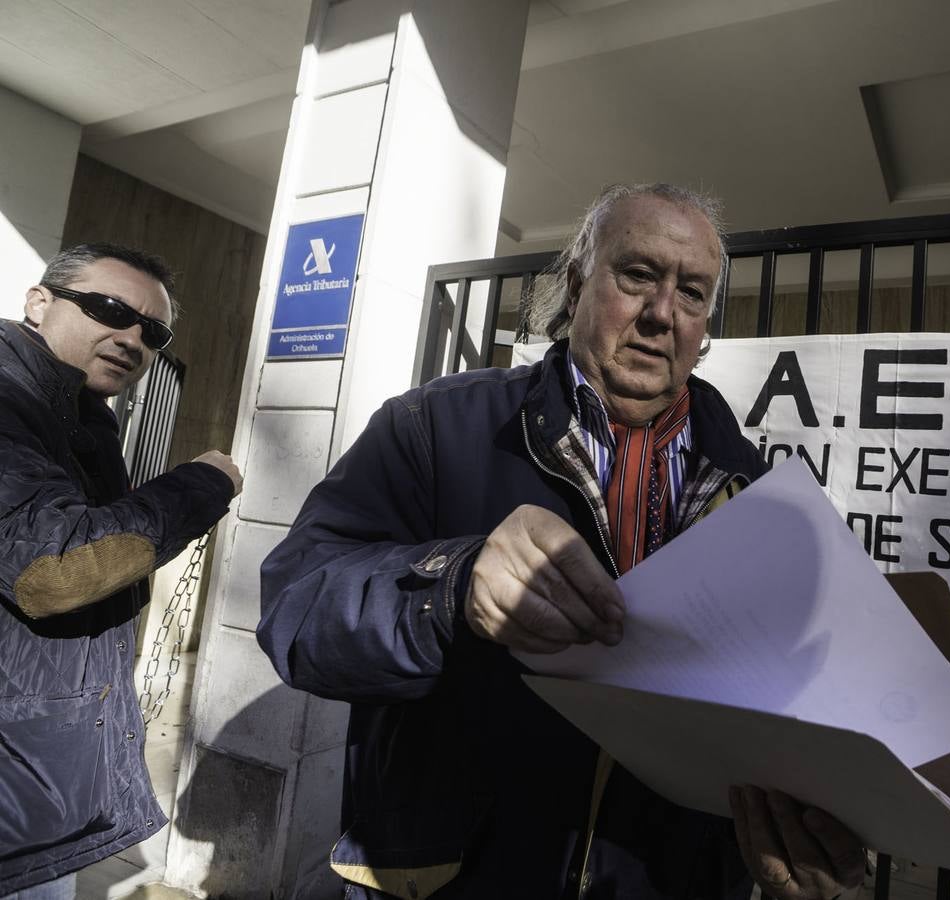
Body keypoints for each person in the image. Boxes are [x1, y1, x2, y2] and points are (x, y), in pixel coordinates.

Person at [258, 184, 865, 899]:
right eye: (637, 275)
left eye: (693, 293)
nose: (661, 314)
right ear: (577, 283)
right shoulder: (435, 426)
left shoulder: (761, 494)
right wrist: (451, 587)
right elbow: (294, 611)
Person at [0, 244, 242, 898]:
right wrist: (201, 485)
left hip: (38, 790)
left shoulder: (82, 419)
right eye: (109, 308)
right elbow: (55, 570)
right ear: (38, 302)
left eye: (152, 330)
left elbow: (108, 581)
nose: (132, 337)